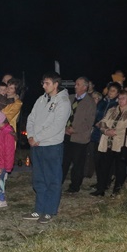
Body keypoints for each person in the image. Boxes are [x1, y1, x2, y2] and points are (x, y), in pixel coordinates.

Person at [23, 73, 71, 223]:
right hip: (36, 145)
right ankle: (39, 209)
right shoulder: (41, 99)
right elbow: (31, 118)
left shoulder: (63, 102)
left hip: (51, 146)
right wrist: (31, 136)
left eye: (47, 83)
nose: (44, 86)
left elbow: (57, 126)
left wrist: (37, 137)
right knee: (39, 179)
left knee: (52, 179)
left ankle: (49, 211)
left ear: (56, 84)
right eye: (43, 83)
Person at [93, 90, 127, 196]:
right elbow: (102, 122)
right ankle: (101, 189)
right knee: (104, 167)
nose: (120, 100)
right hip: (108, 143)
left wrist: (115, 132)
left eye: (123, 98)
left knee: (120, 168)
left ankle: (117, 191)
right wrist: (106, 131)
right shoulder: (112, 110)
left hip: (121, 144)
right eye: (119, 98)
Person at [62, 76, 97, 194]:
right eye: (75, 84)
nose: (75, 86)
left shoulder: (90, 102)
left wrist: (75, 129)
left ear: (85, 87)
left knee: (78, 163)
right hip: (66, 135)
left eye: (78, 84)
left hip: (79, 138)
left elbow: (89, 122)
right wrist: (65, 128)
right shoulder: (70, 98)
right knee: (64, 161)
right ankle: (58, 182)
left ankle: (75, 186)